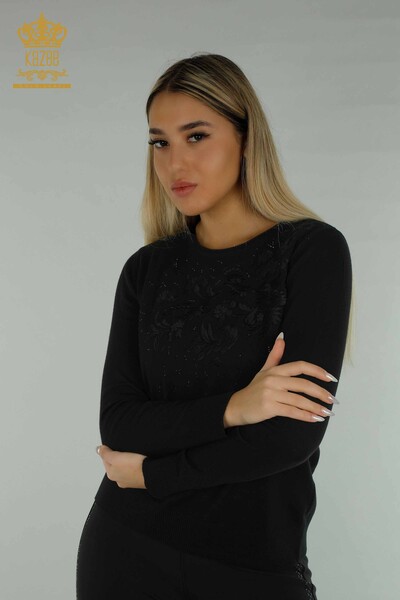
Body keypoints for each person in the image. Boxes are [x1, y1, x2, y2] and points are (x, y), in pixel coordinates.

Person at [76, 53, 353, 600]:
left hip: (254, 565)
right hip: (126, 550)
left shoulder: (311, 251)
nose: (174, 163)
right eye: (159, 142)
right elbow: (120, 424)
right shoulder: (146, 270)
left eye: (196, 136)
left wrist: (152, 475)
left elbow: (291, 437)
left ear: (247, 139)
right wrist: (235, 408)